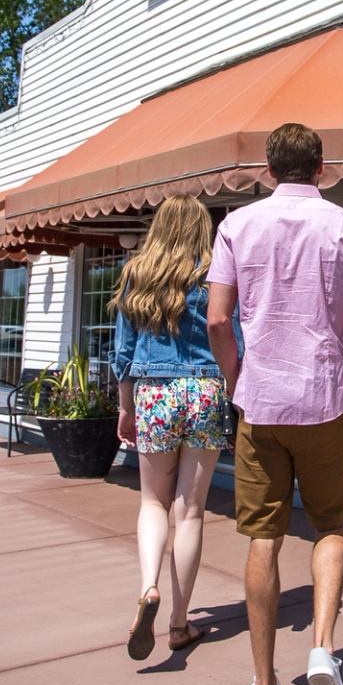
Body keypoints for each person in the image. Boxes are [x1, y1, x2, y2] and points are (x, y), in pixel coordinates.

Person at [207, 123, 343, 685]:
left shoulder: (235, 226)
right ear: (321, 168)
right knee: (331, 526)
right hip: (323, 401)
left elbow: (216, 320)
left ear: (268, 171)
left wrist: (237, 379)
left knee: (265, 538)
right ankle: (321, 647)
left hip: (260, 405)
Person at [111, 196, 238, 661]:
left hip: (155, 394)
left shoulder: (136, 273)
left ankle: (148, 587)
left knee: (152, 502)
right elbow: (231, 337)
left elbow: (123, 353)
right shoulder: (215, 272)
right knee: (190, 511)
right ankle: (180, 623)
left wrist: (126, 407)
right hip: (204, 391)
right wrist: (234, 392)